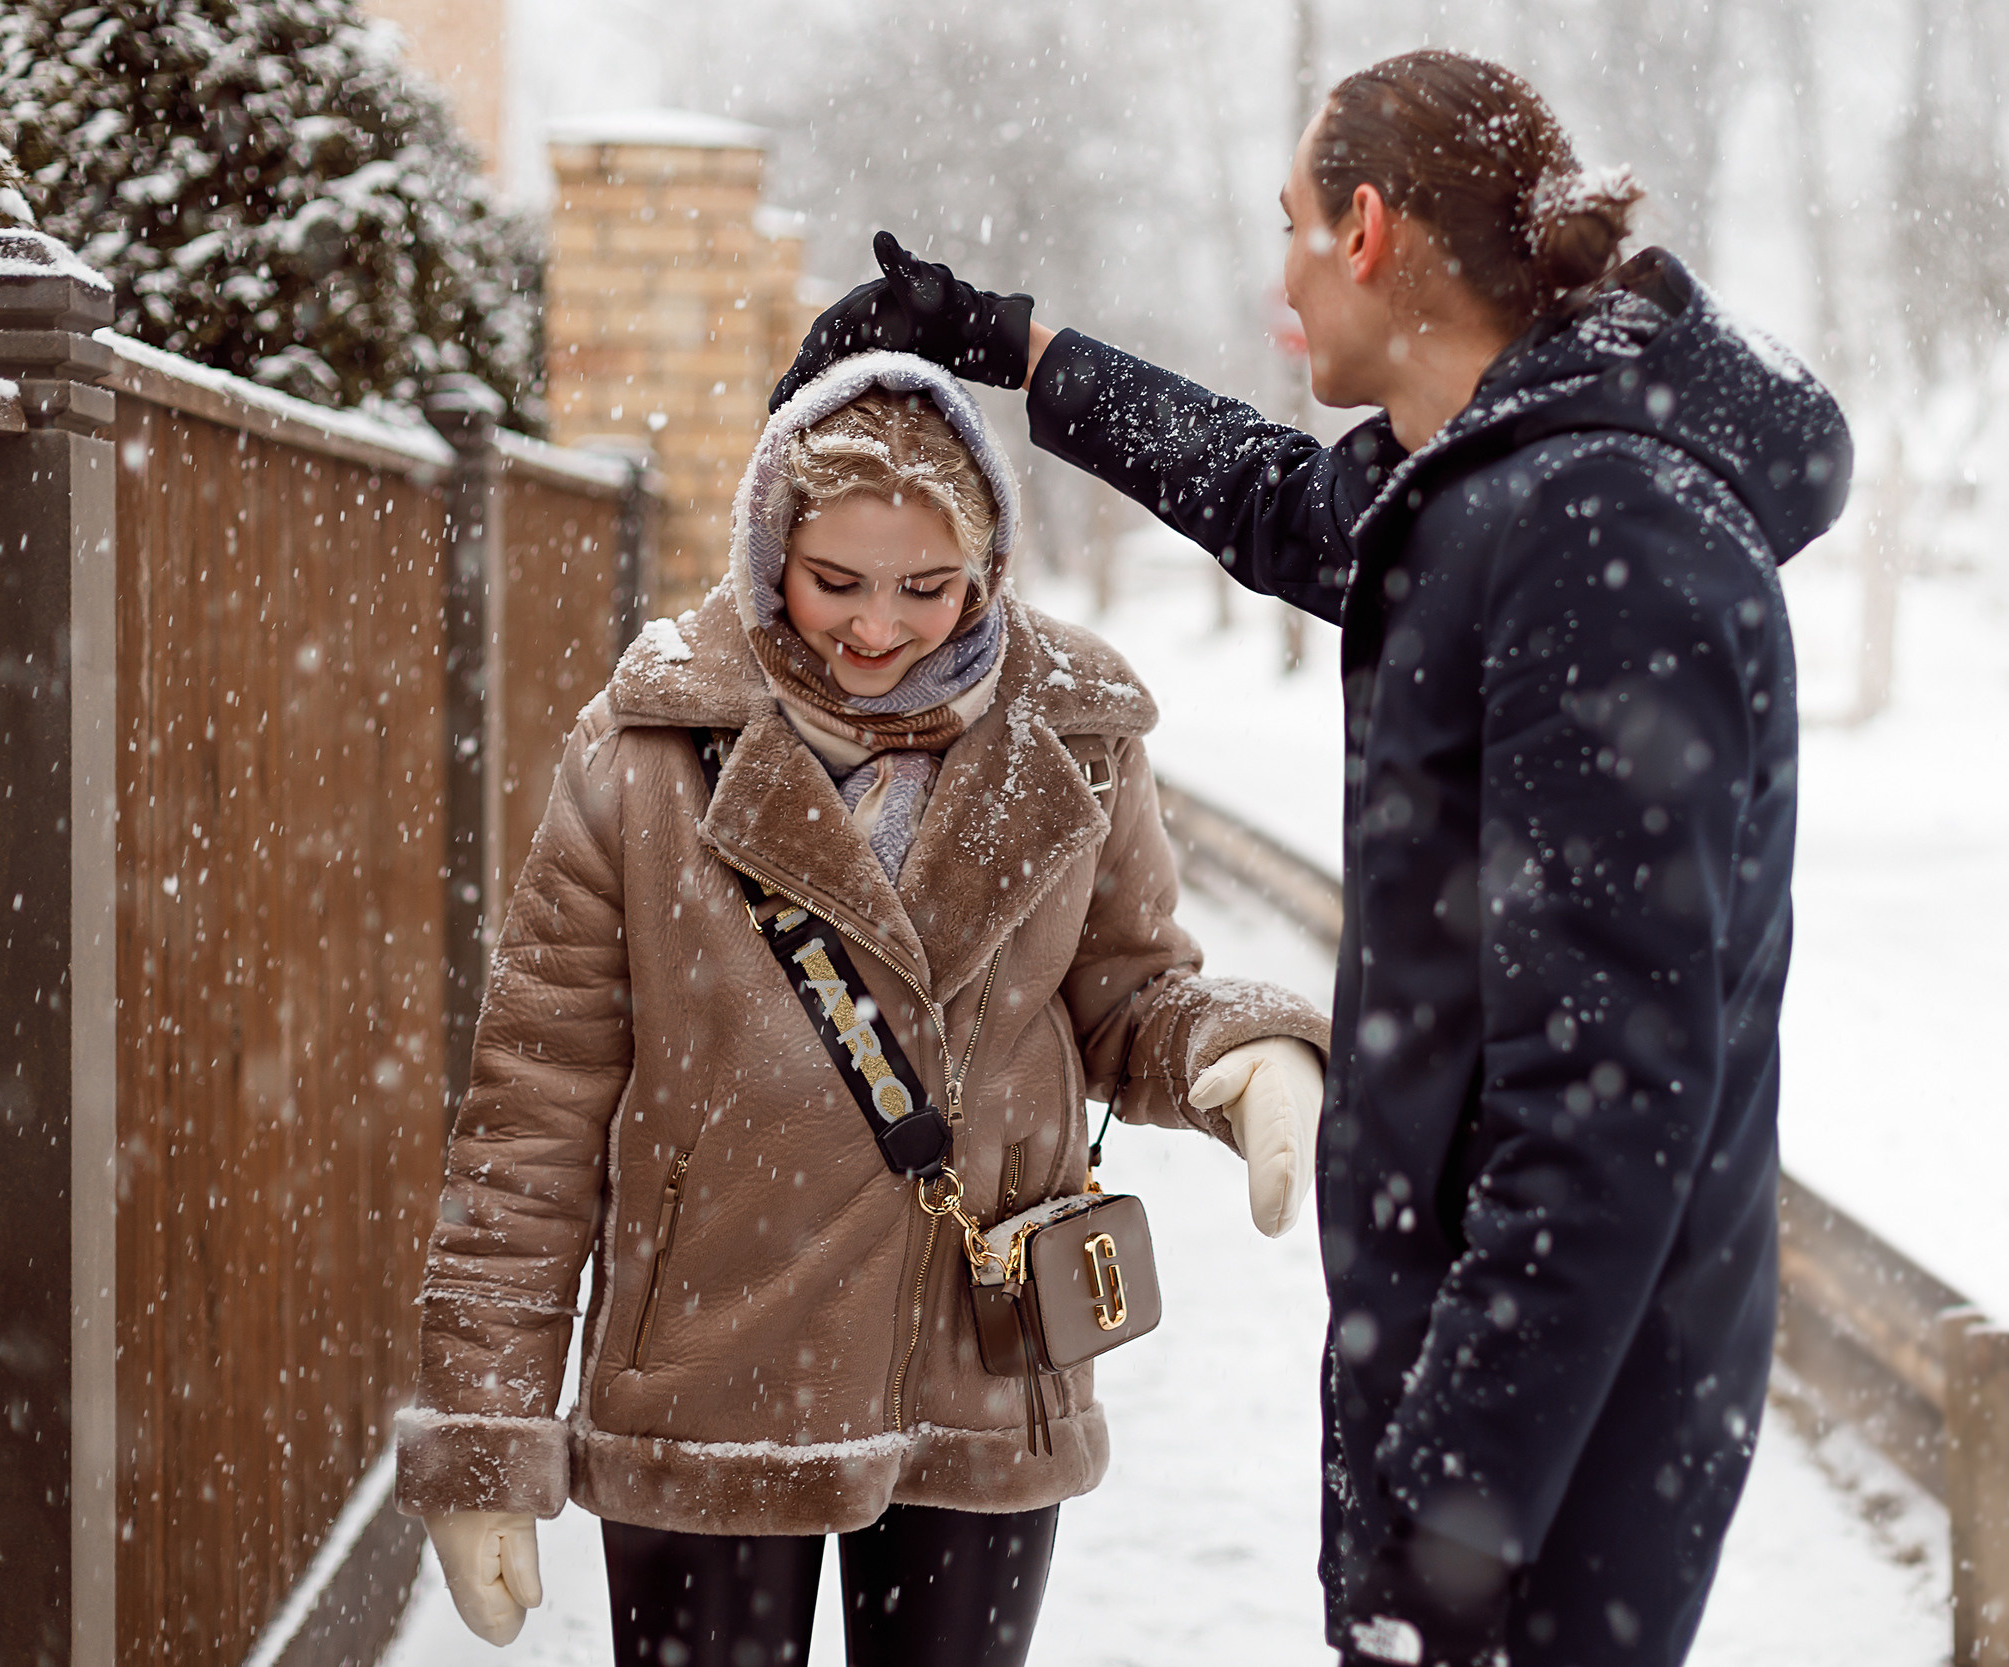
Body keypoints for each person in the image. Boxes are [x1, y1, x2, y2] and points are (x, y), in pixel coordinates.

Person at [769, 48, 1852, 1667]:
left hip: (1557, 1446)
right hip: (1483, 1373)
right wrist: (1012, 346)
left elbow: (1613, 1102)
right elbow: (1273, 498)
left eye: (1292, 224)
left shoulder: (1602, 540)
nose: (1275, 270)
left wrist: (1451, 1527)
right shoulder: (1496, 485)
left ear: (1367, 231)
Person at [391, 351, 1331, 1666]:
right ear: (769, 546)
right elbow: (530, 1121)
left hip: (983, 1361)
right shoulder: (649, 754)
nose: (878, 628)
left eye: (925, 587)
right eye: (835, 582)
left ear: (988, 568)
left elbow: (1129, 992)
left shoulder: (1075, 736)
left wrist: (1238, 1050)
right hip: (708, 1379)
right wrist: (485, 1430)